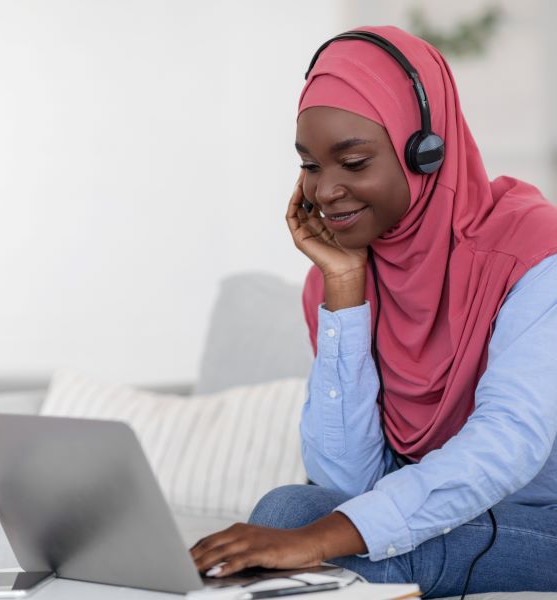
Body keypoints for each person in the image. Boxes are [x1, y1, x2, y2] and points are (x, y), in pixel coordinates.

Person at [190, 25, 557, 598]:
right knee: (288, 508)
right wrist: (344, 288)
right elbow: (347, 481)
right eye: (310, 166)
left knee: (328, 546)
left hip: (539, 517)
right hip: (420, 512)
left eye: (354, 163)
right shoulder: (341, 276)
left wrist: (321, 539)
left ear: (426, 154)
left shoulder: (536, 252)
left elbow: (507, 445)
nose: (326, 191)